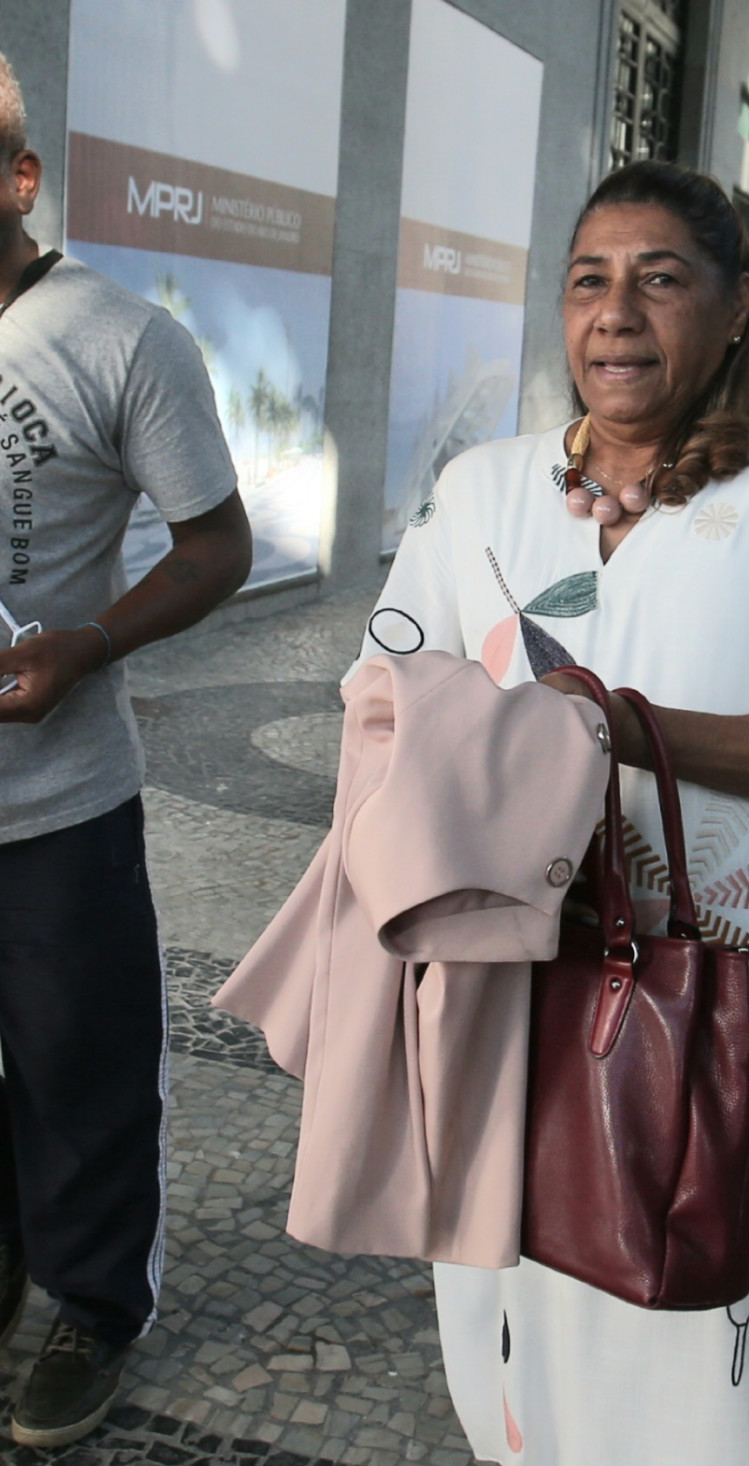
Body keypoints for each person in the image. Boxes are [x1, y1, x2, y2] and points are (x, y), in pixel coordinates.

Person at [355, 159, 749, 1465]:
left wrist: (608, 726)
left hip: (708, 1007)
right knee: (510, 1294)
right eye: (590, 280)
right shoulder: (483, 492)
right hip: (505, 988)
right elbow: (384, 705)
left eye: (662, 279)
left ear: (733, 313)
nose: (618, 312)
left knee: (702, 1298)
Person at [0, 50, 252, 1448]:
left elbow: (220, 547)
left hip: (55, 800)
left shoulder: (122, 338)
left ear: (18, 178)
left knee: (79, 1071)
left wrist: (82, 646)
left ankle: (94, 1306)